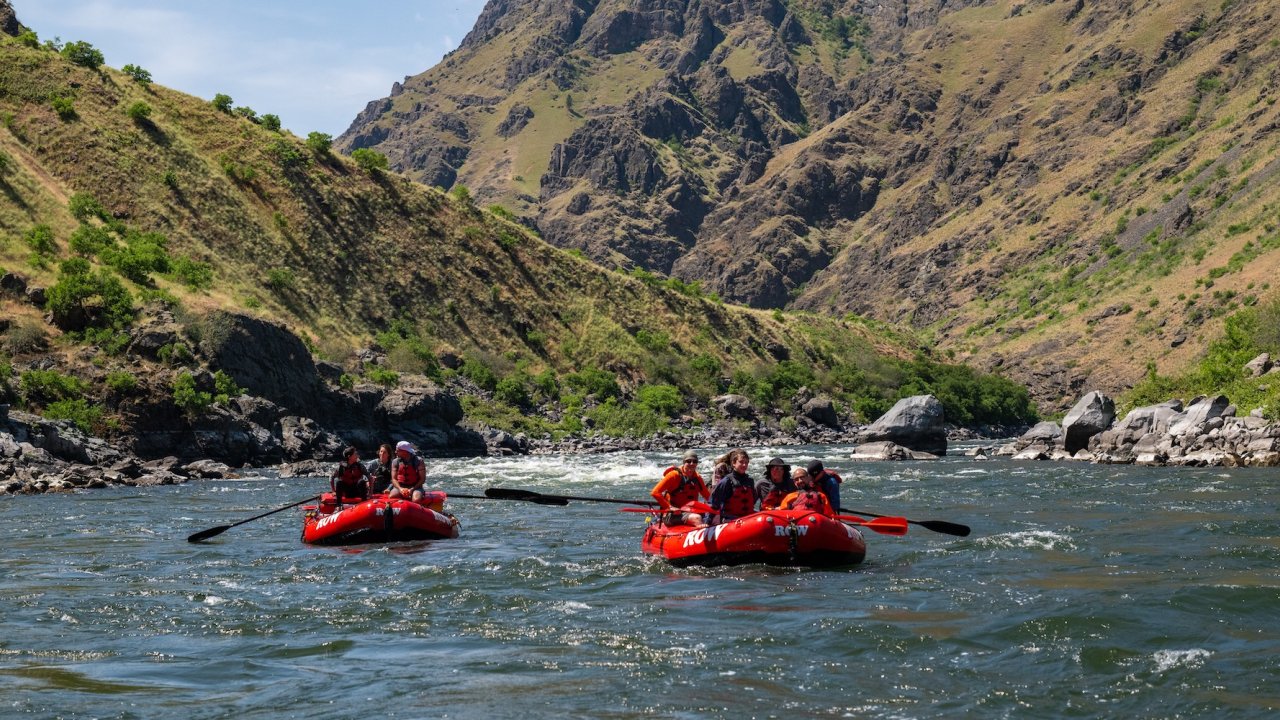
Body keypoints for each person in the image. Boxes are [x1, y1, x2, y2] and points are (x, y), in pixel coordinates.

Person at [650, 450, 709, 526]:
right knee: (696, 518)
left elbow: (708, 497)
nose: (692, 464)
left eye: (694, 461)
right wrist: (670, 507)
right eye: (688, 461)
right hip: (672, 514)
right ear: (684, 462)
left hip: (691, 511)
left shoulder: (697, 478)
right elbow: (655, 492)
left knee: (713, 516)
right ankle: (700, 528)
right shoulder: (674, 475)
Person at [708, 448, 759, 524]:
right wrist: (707, 521)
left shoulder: (750, 481)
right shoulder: (727, 481)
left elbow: (753, 500)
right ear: (733, 463)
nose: (744, 465)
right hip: (731, 520)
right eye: (741, 462)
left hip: (748, 518)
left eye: (746, 462)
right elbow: (714, 503)